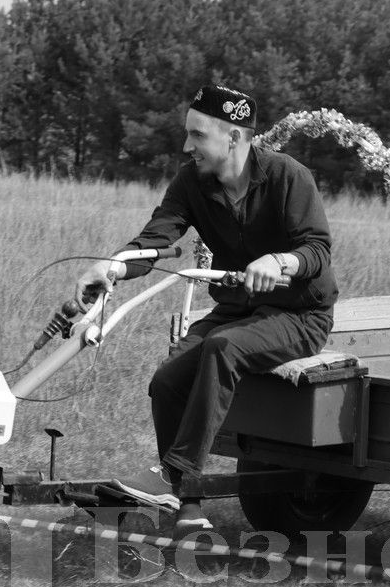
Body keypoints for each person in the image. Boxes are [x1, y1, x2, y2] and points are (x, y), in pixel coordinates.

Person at [75, 84, 339, 536]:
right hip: (238, 310)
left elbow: (317, 249)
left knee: (221, 348)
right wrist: (114, 266)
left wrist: (279, 261)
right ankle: (190, 507)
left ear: (233, 137)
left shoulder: (288, 177)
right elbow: (158, 237)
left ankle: (171, 478)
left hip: (300, 315)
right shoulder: (191, 182)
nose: (186, 146)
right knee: (167, 379)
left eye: (196, 135)